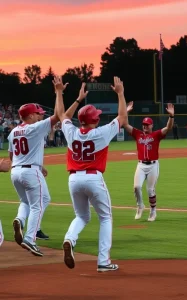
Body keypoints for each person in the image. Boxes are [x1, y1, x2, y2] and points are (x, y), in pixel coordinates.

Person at [53, 76, 127, 272]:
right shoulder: (101, 133)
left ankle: (69, 239)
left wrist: (60, 93)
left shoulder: (71, 132)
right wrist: (120, 94)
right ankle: (103, 262)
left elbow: (61, 114)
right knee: (105, 217)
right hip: (93, 178)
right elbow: (122, 118)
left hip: (73, 179)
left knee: (82, 216)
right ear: (95, 119)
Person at [8, 102, 60, 256]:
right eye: (38, 113)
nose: (40, 115)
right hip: (30, 172)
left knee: (26, 201)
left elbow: (12, 156)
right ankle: (30, 239)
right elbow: (57, 116)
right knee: (39, 203)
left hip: (16, 171)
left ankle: (20, 219)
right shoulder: (34, 127)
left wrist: (38, 165)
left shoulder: (13, 132)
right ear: (30, 116)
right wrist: (58, 93)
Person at [123, 101, 174, 222]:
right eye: (143, 124)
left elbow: (168, 128)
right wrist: (126, 112)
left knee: (150, 190)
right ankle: (140, 206)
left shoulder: (156, 135)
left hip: (153, 165)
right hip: (141, 165)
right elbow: (125, 124)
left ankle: (153, 211)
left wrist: (171, 116)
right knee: (136, 187)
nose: (145, 126)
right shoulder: (137, 134)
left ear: (151, 125)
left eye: (147, 125)